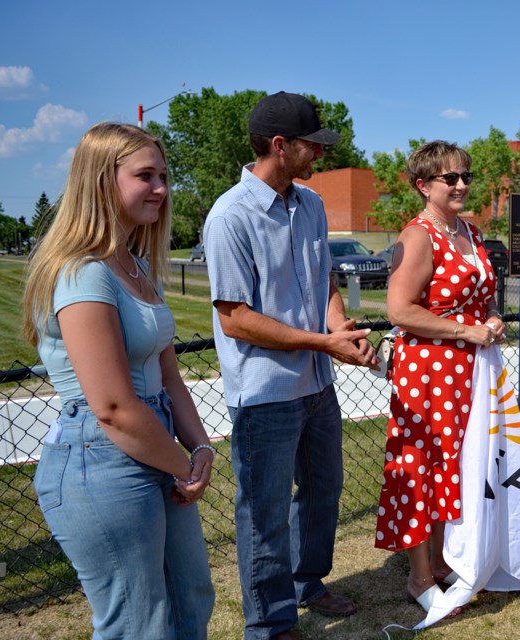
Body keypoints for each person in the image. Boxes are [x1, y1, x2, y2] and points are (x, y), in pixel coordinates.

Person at [22, 122, 216, 638]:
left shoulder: (133, 265)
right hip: (100, 458)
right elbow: (111, 405)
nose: (161, 188)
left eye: (163, 175)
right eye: (145, 176)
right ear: (101, 181)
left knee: (190, 600)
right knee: (139, 624)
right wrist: (186, 466)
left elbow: (169, 373)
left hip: (155, 447)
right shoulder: (83, 272)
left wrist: (200, 448)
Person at [203, 92, 377, 640]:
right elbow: (235, 319)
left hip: (316, 386)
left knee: (324, 490)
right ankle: (272, 623)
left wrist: (339, 327)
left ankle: (309, 584)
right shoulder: (230, 215)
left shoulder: (311, 205)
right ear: (280, 146)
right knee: (264, 513)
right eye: (311, 146)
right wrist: (322, 343)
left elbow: (324, 277)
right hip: (265, 394)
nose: (318, 156)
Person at [374, 141, 506, 612]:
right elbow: (399, 309)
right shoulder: (417, 237)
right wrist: (465, 330)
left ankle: (447, 561)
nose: (462, 185)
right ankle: (419, 576)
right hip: (428, 370)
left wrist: (491, 319)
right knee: (423, 466)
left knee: (461, 463)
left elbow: (483, 296)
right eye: (450, 179)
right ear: (423, 186)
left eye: (465, 176)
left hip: (471, 366)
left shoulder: (470, 232)